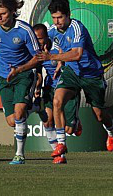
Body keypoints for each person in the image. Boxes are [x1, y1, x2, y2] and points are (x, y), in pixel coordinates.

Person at [36, 0, 113, 162]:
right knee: (57, 101)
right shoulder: (52, 31)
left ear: (68, 15)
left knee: (100, 115)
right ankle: (61, 147)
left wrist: (53, 57)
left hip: (91, 74)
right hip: (72, 73)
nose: (57, 21)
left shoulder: (76, 27)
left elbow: (77, 54)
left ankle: (111, 132)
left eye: (60, 17)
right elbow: (47, 43)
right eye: (54, 17)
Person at [0, 0, 40, 165]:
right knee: (11, 121)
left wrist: (20, 69)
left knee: (18, 114)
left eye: (3, 14)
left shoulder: (24, 30)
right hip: (4, 77)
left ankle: (19, 155)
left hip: (23, 75)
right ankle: (37, 107)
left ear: (12, 13)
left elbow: (38, 57)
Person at [33, 24, 82, 164]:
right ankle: (59, 155)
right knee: (47, 121)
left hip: (67, 88)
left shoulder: (57, 46)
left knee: (69, 129)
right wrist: (37, 88)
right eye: (36, 39)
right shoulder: (36, 51)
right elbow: (38, 72)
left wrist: (61, 61)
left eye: (40, 39)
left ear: (47, 36)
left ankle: (76, 122)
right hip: (50, 88)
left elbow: (72, 60)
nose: (38, 42)